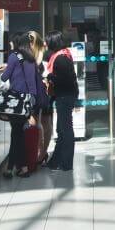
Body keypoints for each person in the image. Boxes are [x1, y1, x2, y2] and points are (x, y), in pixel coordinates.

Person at [0, 33, 41, 178]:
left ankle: (16, 167)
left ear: (17, 43)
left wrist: (3, 71)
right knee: (18, 134)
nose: (10, 44)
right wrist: (32, 102)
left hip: (15, 101)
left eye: (11, 42)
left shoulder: (13, 57)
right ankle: (17, 167)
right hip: (27, 100)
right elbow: (31, 82)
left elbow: (4, 77)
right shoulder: (30, 59)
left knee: (16, 134)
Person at [44, 31, 78, 172]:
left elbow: (64, 80)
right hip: (66, 95)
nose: (46, 44)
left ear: (53, 42)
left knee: (65, 130)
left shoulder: (60, 58)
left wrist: (50, 76)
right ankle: (55, 161)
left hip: (65, 96)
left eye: (47, 41)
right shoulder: (63, 54)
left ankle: (66, 163)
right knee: (62, 130)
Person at [28, 30, 52, 164]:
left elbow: (49, 71)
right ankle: (38, 152)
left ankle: (43, 152)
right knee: (34, 123)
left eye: (31, 41)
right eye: (28, 41)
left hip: (45, 93)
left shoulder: (44, 55)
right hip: (33, 93)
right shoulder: (27, 55)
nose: (30, 44)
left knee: (46, 123)